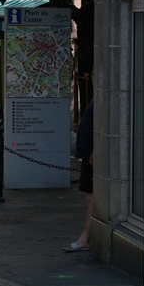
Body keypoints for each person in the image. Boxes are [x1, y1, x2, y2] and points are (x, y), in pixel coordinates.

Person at [65, 100, 94, 252]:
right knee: (89, 195)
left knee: (91, 196)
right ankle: (86, 237)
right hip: (88, 154)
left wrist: (97, 149)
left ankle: (85, 237)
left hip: (91, 155)